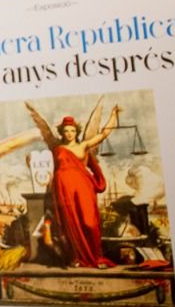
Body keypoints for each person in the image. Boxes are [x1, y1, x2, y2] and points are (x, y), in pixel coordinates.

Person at [23, 101, 119, 270]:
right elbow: (44, 161)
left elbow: (104, 134)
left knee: (89, 223)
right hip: (64, 190)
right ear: (62, 132)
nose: (69, 133)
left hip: (83, 188)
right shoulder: (57, 148)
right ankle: (75, 257)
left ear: (77, 132)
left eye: (72, 130)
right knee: (70, 225)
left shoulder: (83, 145)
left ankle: (95, 257)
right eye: (66, 131)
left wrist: (114, 115)